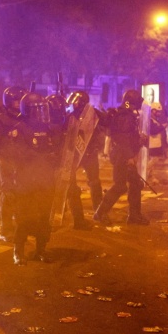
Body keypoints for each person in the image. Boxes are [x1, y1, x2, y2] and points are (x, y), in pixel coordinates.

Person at [93, 90, 149, 226]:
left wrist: (138, 140)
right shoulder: (125, 116)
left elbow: (127, 136)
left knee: (135, 183)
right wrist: (129, 156)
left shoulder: (123, 113)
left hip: (122, 154)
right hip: (122, 155)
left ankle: (134, 216)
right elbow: (123, 139)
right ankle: (100, 213)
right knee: (120, 186)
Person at [13, 93, 57, 264]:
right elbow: (18, 154)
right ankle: (18, 251)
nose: (40, 114)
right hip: (27, 182)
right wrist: (42, 156)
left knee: (44, 218)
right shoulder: (20, 129)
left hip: (45, 180)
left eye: (42, 109)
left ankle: (41, 249)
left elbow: (54, 149)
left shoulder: (47, 129)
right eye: (37, 110)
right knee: (24, 218)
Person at [0, 86, 27, 242]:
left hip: (24, 161)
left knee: (23, 194)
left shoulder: (24, 118)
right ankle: (6, 230)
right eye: (17, 101)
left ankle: (21, 226)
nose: (19, 103)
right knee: (8, 193)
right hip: (7, 160)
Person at [64, 90, 105, 230]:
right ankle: (77, 218)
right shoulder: (68, 114)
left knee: (94, 182)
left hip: (89, 154)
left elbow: (104, 122)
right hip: (73, 154)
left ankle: (100, 211)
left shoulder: (92, 115)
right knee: (71, 186)